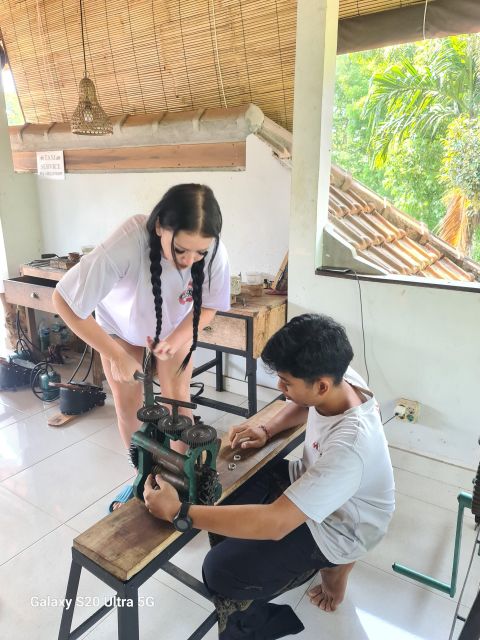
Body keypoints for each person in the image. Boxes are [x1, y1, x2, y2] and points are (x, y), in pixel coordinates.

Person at [143, 313, 395, 639]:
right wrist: (266, 428)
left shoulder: (351, 446)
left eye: (286, 382)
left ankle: (331, 567)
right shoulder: (338, 376)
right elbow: (306, 404)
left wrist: (179, 512)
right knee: (221, 482)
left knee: (219, 570)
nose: (280, 387)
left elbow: (276, 523)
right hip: (317, 485)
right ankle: (315, 564)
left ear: (320, 385)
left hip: (343, 526)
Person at [53, 184, 230, 510]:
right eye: (181, 250)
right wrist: (115, 354)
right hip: (119, 329)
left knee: (178, 399)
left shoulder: (212, 248)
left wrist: (176, 339)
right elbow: (64, 301)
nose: (190, 260)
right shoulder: (128, 241)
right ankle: (144, 477)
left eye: (199, 253)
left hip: (174, 326)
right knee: (128, 404)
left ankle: (180, 480)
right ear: (161, 226)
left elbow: (209, 307)